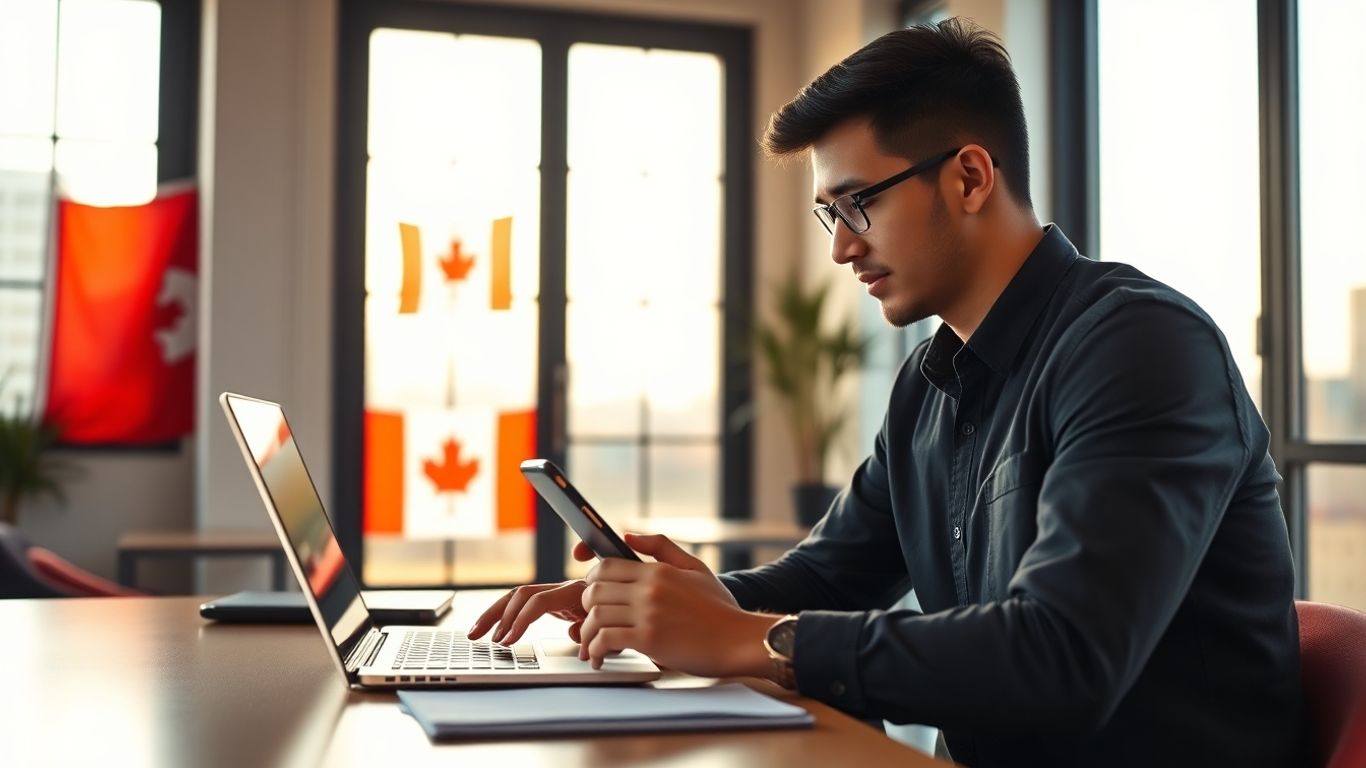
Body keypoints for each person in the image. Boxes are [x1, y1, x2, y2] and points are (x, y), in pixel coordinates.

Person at [469, 18, 1302, 767]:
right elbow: (831, 578)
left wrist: (746, 637)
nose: (841, 251)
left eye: (858, 205)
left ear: (970, 177)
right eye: (830, 214)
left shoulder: (1140, 346)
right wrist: (688, 603)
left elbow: (1062, 659)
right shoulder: (928, 385)